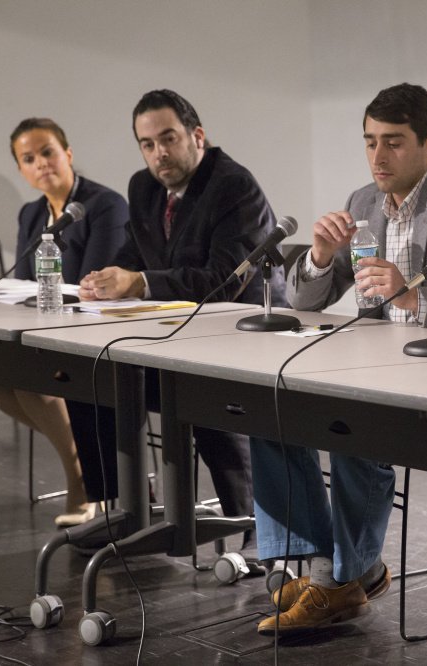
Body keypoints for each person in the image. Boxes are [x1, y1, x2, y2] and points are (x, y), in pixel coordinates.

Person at [254, 83, 427, 636]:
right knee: (268, 403)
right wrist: (321, 256)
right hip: (374, 364)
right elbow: (308, 301)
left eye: (393, 142)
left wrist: (416, 297)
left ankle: (342, 579)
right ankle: (327, 567)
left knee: (351, 428)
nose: (377, 156)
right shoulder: (362, 202)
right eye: (370, 142)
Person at [76, 89, 287, 550]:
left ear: (197, 135)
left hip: (242, 334)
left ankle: (250, 529)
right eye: (147, 144)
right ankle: (123, 507)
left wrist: (138, 283)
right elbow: (136, 256)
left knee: (196, 395)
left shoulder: (233, 185)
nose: (159, 153)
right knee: (93, 379)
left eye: (168, 139)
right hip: (176, 334)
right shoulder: (144, 186)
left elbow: (222, 281)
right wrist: (104, 279)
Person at [0, 117, 128, 527]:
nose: (41, 163)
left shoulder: (105, 204)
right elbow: (24, 281)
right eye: (29, 158)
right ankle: (86, 458)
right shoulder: (31, 214)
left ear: (68, 154)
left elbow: (98, 279)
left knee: (34, 381)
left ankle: (81, 482)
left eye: (47, 152)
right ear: (22, 171)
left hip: (99, 332)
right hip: (48, 327)